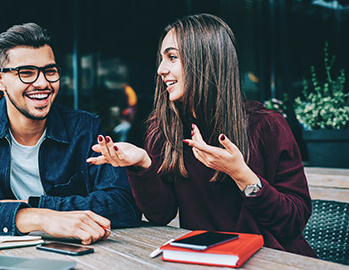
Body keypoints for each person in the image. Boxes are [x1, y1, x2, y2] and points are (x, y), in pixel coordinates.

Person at [87, 14, 317, 257]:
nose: (160, 69)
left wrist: (243, 176)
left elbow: (294, 222)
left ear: (205, 61)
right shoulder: (164, 129)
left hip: (273, 259)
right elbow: (161, 214)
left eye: (172, 57)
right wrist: (143, 164)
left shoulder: (267, 125)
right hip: (203, 258)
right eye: (162, 59)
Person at [0, 22, 141, 244]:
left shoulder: (84, 129)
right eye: (26, 73)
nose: (42, 83)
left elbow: (123, 205)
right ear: (0, 81)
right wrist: (38, 218)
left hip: (78, 253)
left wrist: (38, 207)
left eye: (50, 71)